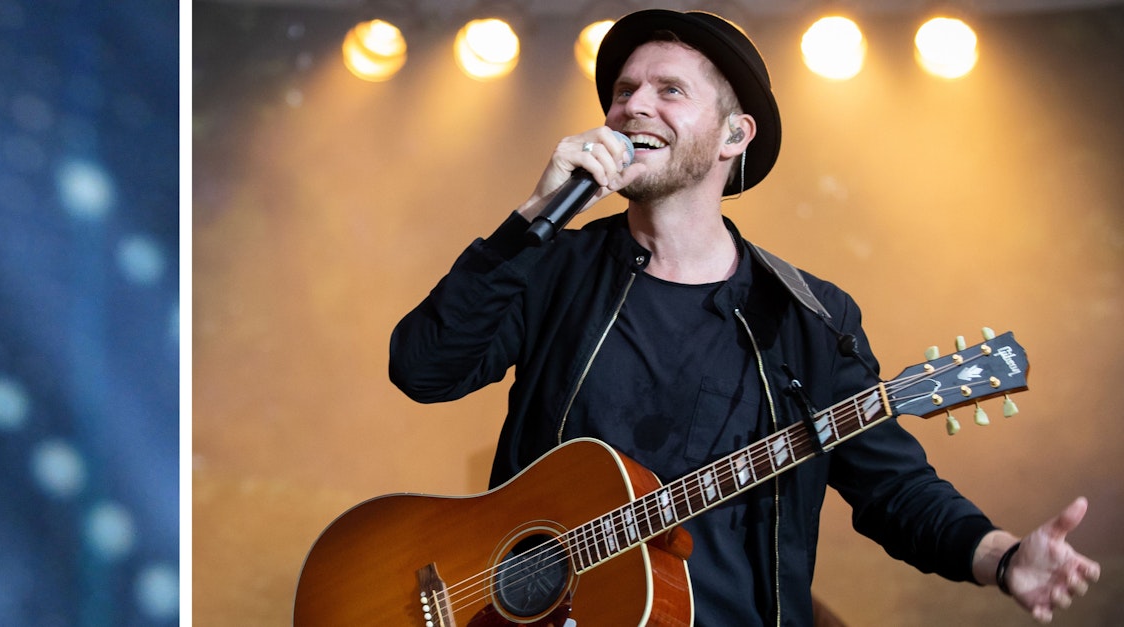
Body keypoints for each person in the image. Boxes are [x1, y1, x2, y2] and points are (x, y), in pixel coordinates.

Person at [388, 9, 1097, 625]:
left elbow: (894, 489)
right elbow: (422, 368)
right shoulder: (554, 266)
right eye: (625, 91)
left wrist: (1003, 558)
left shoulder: (806, 317)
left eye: (669, 90)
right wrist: (531, 218)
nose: (635, 106)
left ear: (734, 137)